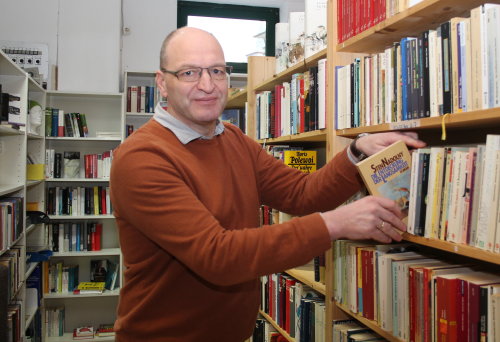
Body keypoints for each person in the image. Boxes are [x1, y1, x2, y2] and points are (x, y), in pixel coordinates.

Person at [109, 27, 426, 342]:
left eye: (217, 71)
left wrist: (357, 150)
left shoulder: (232, 139)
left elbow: (302, 194)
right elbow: (217, 256)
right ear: (162, 83)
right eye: (189, 72)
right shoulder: (142, 157)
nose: (207, 85)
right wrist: (335, 224)